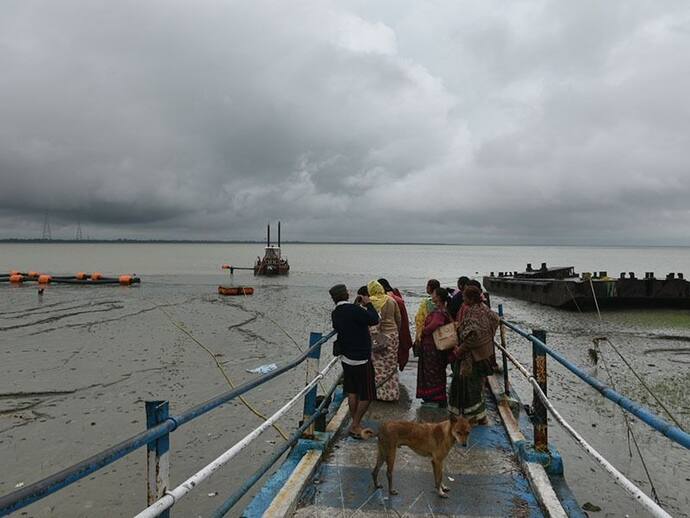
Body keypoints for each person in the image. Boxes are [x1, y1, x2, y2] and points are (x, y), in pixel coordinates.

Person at [329, 283, 379, 438]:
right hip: (361, 359)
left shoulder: (336, 313)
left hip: (346, 358)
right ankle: (355, 424)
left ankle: (355, 423)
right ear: (347, 294)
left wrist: (357, 306)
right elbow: (373, 319)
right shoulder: (355, 310)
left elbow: (349, 318)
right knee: (368, 394)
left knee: (352, 392)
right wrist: (368, 303)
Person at [448, 285, 500, 424]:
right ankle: (480, 415)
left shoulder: (473, 313)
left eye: (464, 296)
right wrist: (487, 339)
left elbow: (472, 337)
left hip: (471, 357)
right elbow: (495, 320)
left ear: (471, 299)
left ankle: (471, 417)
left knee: (467, 387)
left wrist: (460, 349)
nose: (462, 298)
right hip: (484, 353)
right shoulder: (485, 309)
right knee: (477, 386)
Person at [416, 287, 452, 407]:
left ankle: (434, 398)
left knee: (432, 372)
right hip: (434, 346)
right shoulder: (442, 310)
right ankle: (436, 397)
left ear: (439, 297)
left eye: (434, 294)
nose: (432, 295)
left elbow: (436, 324)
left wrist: (424, 331)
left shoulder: (439, 312)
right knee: (436, 372)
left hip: (432, 347)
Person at [367, 280, 401, 401]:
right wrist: (397, 332)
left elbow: (373, 323)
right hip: (393, 336)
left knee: (379, 366)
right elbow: (398, 318)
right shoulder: (391, 300)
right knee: (391, 366)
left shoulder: (373, 302)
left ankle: (380, 394)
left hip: (379, 337)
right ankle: (392, 394)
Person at [377, 278, 413, 371]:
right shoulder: (397, 299)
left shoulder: (387, 301)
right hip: (396, 333)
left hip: (388, 334)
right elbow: (402, 320)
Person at [413, 279, 441, 351]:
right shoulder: (442, 302)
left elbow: (420, 319)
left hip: (427, 333)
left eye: (427, 286)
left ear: (429, 288)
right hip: (439, 334)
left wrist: (421, 333)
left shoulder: (427, 303)